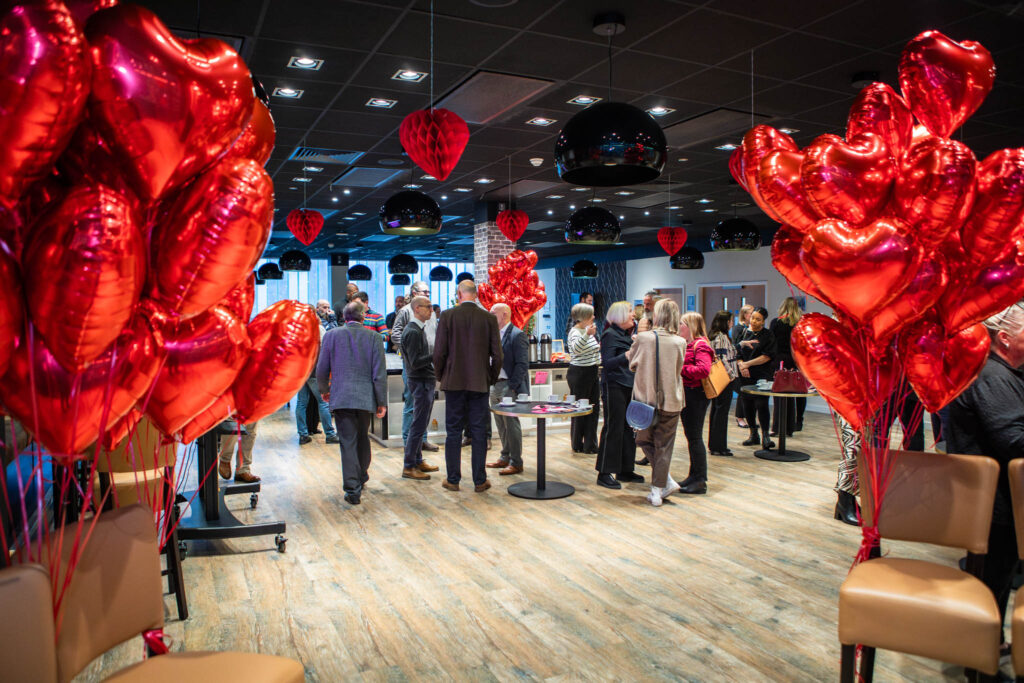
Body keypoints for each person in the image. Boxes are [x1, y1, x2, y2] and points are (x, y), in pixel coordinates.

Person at [948, 300, 1024, 651]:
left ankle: (988, 645)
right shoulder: (992, 375)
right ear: (1005, 338)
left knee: (998, 576)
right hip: (992, 503)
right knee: (992, 578)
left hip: (996, 499)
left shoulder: (1002, 373)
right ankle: (981, 653)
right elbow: (1014, 440)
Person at [433, 280, 501, 493]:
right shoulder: (489, 318)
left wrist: (441, 376)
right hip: (479, 383)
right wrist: (490, 378)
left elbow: (439, 353)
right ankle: (480, 481)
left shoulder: (447, 316)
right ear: (476, 295)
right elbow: (498, 355)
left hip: (454, 383)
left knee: (453, 431)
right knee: (479, 432)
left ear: (459, 294)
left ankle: (453, 479)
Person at [317, 301, 388, 506]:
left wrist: (324, 390)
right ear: (363, 317)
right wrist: (381, 401)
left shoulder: (331, 335)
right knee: (363, 437)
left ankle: (352, 489)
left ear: (343, 317)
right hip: (365, 397)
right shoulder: (374, 337)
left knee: (348, 441)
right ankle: (361, 475)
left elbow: (322, 368)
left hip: (341, 396)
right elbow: (379, 373)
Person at [628, 299, 686, 507]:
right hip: (672, 399)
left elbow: (632, 363)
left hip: (646, 400)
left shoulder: (644, 338)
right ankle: (661, 486)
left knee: (643, 440)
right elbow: (679, 368)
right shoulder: (680, 342)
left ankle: (660, 487)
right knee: (664, 446)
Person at [595, 301, 642, 489]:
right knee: (613, 428)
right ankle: (604, 472)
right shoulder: (610, 335)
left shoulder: (625, 335)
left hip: (628, 385)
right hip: (614, 386)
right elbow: (607, 363)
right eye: (630, 311)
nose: (633, 315)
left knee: (628, 428)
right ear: (620, 315)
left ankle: (625, 469)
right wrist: (627, 355)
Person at [390, 282, 440, 453]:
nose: (427, 294)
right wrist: (409, 351)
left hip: (429, 363)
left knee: (425, 406)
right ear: (414, 293)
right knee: (412, 403)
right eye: (424, 291)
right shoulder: (406, 311)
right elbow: (396, 334)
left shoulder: (430, 313)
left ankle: (421, 440)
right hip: (414, 363)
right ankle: (408, 442)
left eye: (428, 291)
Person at [400, 296, 439, 481]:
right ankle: (409, 465)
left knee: (421, 424)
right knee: (418, 425)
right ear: (417, 309)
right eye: (428, 306)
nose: (431, 310)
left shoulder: (417, 329)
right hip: (420, 381)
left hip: (424, 380)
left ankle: (417, 460)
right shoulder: (413, 331)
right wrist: (436, 354)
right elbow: (415, 362)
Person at [487, 303, 529, 476]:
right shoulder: (493, 334)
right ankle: (505, 457)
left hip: (508, 386)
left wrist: (512, 387)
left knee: (511, 424)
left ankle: (516, 462)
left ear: (504, 314)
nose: (489, 315)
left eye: (493, 313)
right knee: (500, 424)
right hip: (495, 384)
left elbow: (522, 364)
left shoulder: (517, 335)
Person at [678, 311, 714, 495]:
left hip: (696, 395)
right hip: (689, 393)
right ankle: (693, 475)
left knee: (695, 437)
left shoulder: (701, 345)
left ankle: (700, 480)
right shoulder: (690, 344)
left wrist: (680, 369)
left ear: (690, 326)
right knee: (691, 437)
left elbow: (703, 370)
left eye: (682, 324)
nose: (679, 327)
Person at [736, 306, 777, 451]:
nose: (754, 321)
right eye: (752, 318)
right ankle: (753, 434)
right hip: (745, 375)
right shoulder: (744, 333)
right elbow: (737, 353)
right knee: (747, 404)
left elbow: (767, 356)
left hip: (762, 375)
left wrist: (748, 364)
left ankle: (766, 436)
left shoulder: (768, 335)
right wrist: (742, 366)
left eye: (758, 319)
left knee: (761, 404)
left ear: (763, 321)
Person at [567, 302, 601, 455]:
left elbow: (594, 350)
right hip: (580, 373)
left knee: (593, 409)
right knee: (580, 409)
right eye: (591, 315)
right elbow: (576, 350)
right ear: (583, 317)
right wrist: (587, 335)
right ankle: (577, 443)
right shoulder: (575, 332)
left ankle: (590, 444)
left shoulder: (588, 330)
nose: (593, 317)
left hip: (591, 371)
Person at [769, 297, 806, 436]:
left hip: (780, 361)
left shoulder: (776, 322)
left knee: (780, 393)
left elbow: (772, 343)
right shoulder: (800, 324)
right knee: (799, 391)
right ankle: (797, 422)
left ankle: (779, 426)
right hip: (797, 361)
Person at [707, 311, 738, 457]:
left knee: (717, 410)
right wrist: (731, 375)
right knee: (721, 412)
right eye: (730, 321)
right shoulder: (721, 337)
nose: (732, 323)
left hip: (720, 378)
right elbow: (721, 358)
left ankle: (715, 445)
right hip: (724, 378)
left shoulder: (715, 336)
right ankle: (719, 446)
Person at [731, 304, 754, 429]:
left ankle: (749, 417)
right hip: (740, 363)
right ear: (745, 315)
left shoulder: (751, 328)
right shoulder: (738, 328)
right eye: (751, 313)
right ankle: (740, 417)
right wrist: (741, 364)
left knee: (749, 391)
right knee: (742, 391)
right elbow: (736, 346)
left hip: (749, 363)